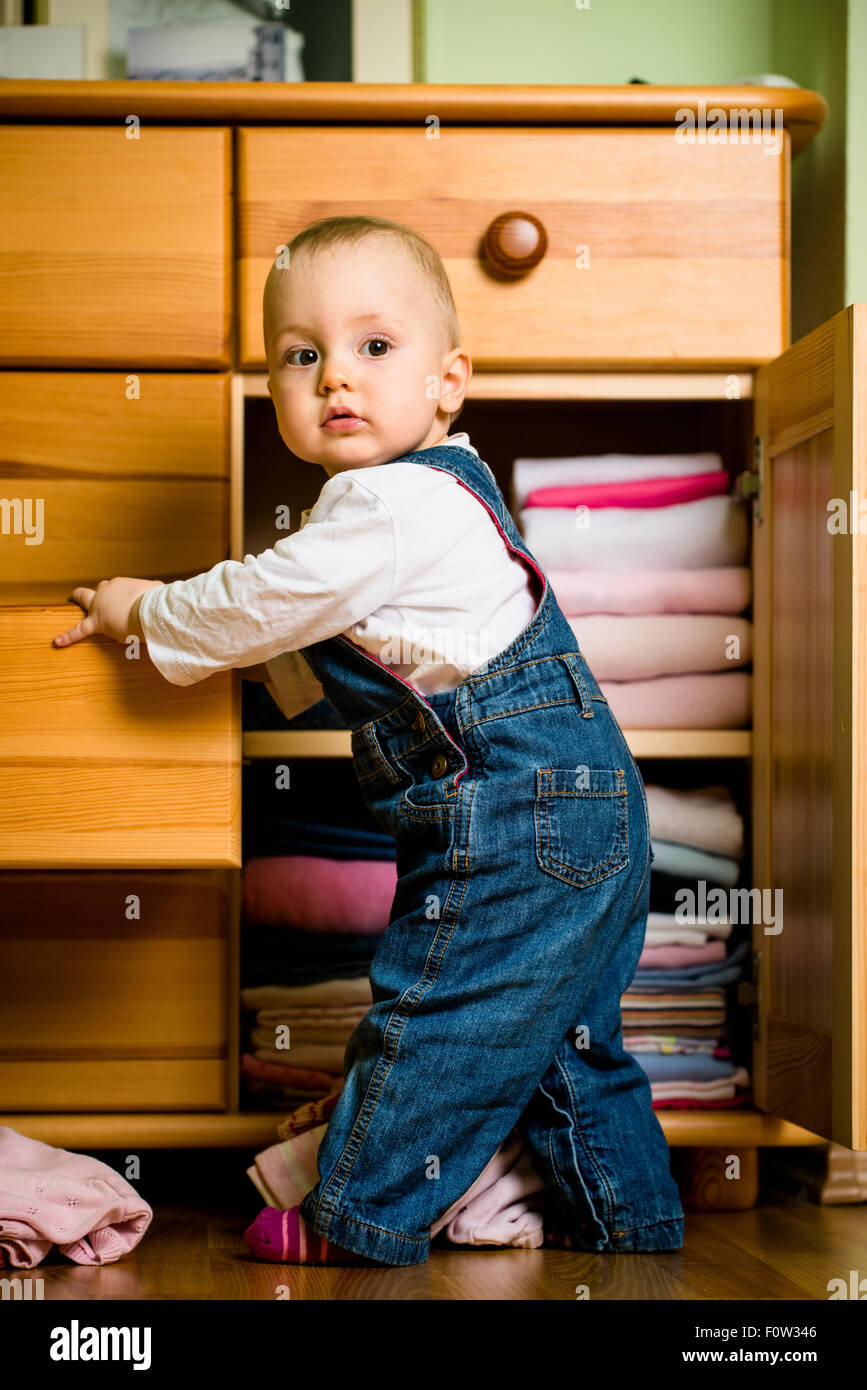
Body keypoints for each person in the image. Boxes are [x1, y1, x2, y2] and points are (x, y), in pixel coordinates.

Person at [53, 215, 684, 1268]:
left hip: (515, 820)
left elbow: (263, 600)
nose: (335, 376)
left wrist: (143, 610)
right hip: (589, 810)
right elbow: (332, 636)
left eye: (373, 347)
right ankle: (635, 1224)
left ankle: (355, 1211)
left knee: (440, 1019)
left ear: (449, 379)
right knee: (567, 1042)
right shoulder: (442, 493)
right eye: (302, 356)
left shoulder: (383, 503)